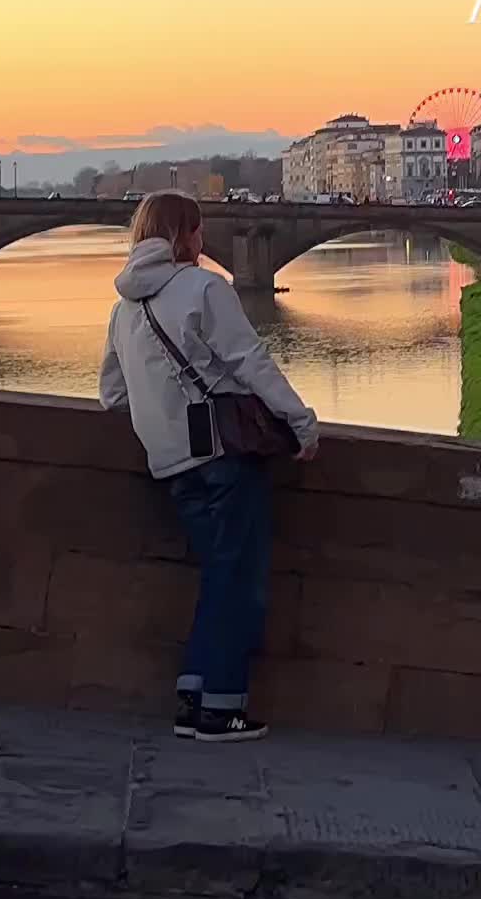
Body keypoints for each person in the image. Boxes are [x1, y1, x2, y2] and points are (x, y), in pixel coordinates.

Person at [99, 191, 318, 743]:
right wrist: (300, 421)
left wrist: (165, 412)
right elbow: (250, 361)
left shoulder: (122, 308)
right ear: (182, 234)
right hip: (223, 453)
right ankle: (221, 707)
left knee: (219, 575)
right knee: (238, 580)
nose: (202, 239)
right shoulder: (202, 287)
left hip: (170, 463)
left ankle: (194, 695)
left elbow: (111, 395)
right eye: (197, 230)